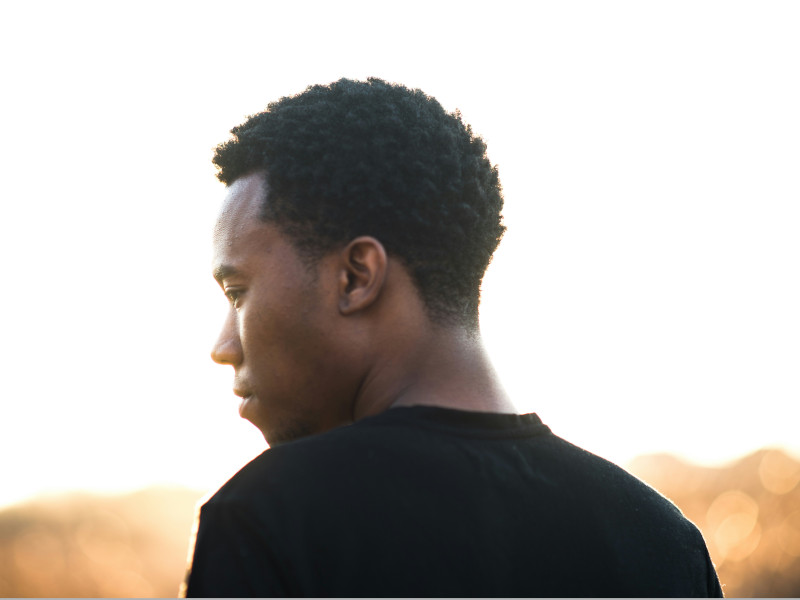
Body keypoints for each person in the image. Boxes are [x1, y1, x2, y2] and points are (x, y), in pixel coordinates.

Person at [182, 78, 723, 597]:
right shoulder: (665, 542)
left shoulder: (269, 520)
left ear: (356, 276)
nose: (222, 347)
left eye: (237, 292)